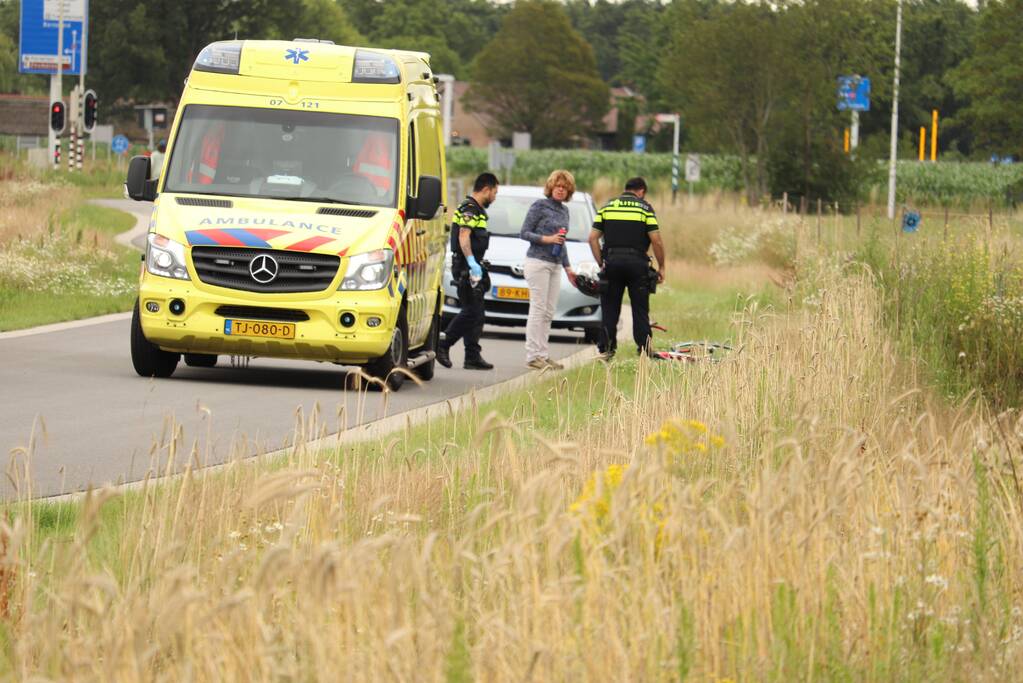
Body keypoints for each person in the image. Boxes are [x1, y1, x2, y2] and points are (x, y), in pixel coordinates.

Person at [587, 177, 666, 359]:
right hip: (637, 265)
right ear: (641, 192)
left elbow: (592, 238)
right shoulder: (645, 208)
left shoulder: (608, 207)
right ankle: (644, 349)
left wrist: (601, 262)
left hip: (612, 263)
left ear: (626, 189)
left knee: (610, 308)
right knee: (640, 309)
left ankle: (606, 349)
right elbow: (656, 240)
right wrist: (662, 267)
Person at [436, 173, 499, 371]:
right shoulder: (470, 209)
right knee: (472, 311)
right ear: (486, 189)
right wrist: (471, 262)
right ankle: (443, 344)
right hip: (466, 267)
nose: (495, 197)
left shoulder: (477, 210)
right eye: (495, 192)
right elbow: (464, 235)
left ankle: (472, 356)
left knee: (477, 313)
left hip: (473, 266)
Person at [520, 169, 578, 370]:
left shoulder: (564, 211)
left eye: (565, 188)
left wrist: (568, 267)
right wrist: (547, 239)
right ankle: (532, 355)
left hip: (555, 264)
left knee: (549, 311)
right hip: (537, 262)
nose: (561, 190)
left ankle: (543, 354)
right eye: (558, 186)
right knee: (538, 308)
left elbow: (562, 242)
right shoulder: (539, 206)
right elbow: (524, 232)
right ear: (551, 187)